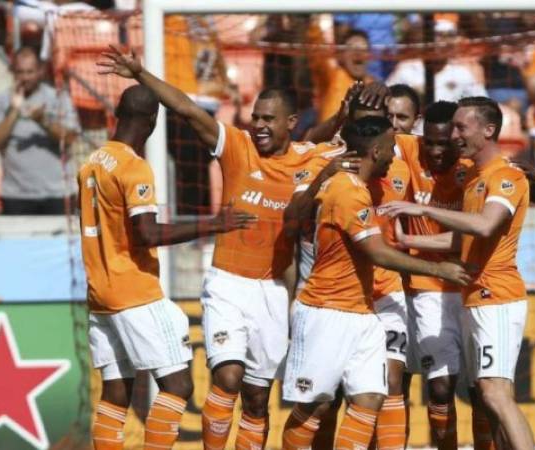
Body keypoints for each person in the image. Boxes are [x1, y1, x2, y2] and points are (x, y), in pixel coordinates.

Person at [97, 45, 358, 450]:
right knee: (227, 377)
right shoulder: (237, 147)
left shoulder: (312, 158)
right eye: (255, 117)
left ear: (291, 122)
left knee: (257, 399)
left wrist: (349, 112)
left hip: (273, 290)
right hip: (227, 285)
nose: (258, 125)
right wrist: (140, 73)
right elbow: (186, 108)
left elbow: (363, 147)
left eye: (268, 119)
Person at [78, 84, 255, 450]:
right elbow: (147, 233)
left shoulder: (92, 161)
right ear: (152, 122)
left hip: (100, 292)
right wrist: (214, 223)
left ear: (118, 114)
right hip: (134, 290)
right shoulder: (133, 167)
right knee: (178, 385)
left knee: (116, 389)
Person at [281, 116, 471, 450]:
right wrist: (441, 270)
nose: (395, 155)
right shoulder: (346, 191)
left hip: (363, 311)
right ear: (377, 150)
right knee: (317, 405)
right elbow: (377, 253)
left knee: (371, 397)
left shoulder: (359, 187)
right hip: (327, 311)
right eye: (391, 148)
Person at [383, 96, 535, 450]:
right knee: (490, 395)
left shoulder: (505, 177)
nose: (454, 135)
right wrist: (409, 238)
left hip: (496, 296)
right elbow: (463, 237)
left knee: (495, 394)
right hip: (475, 295)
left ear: (489, 130)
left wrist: (420, 208)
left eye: (461, 127)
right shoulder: (474, 177)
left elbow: (485, 225)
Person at [0, 46, 80, 215]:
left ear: (40, 71)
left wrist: (42, 120)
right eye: (20, 72)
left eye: (30, 72)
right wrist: (14, 112)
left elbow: (70, 137)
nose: (25, 77)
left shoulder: (57, 98)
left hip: (57, 193)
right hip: (16, 196)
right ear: (12, 71)